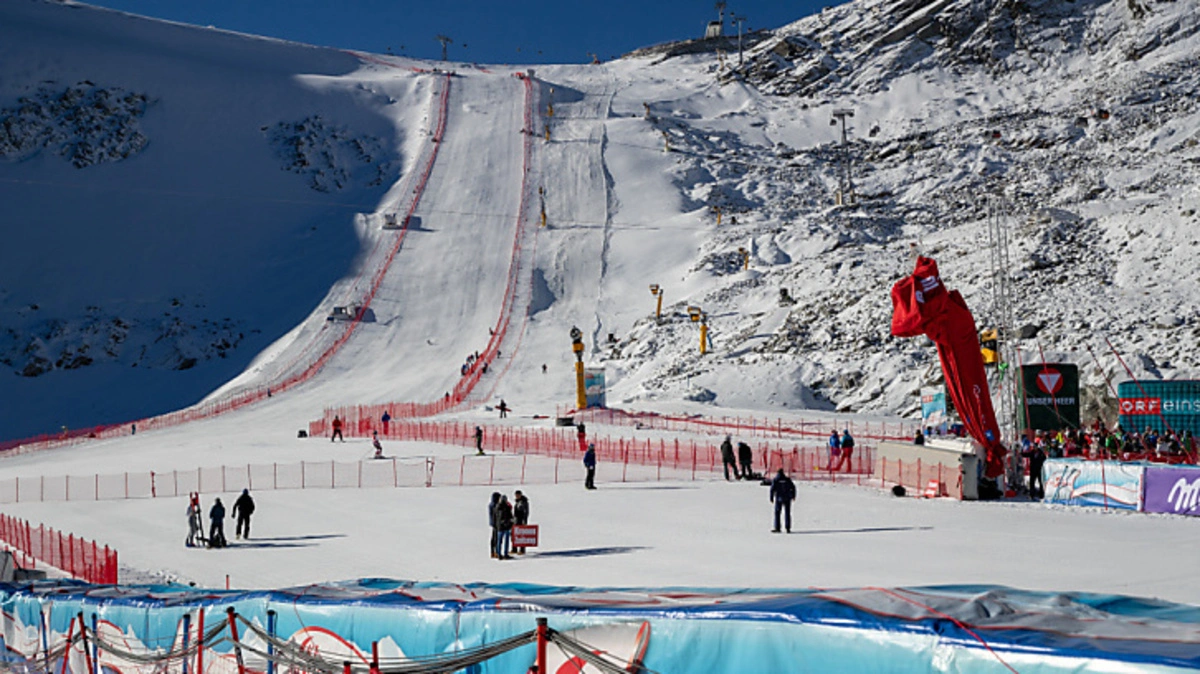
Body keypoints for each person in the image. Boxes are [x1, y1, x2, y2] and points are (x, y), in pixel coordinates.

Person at [494, 494, 514, 560]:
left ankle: (499, 554)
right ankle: (504, 554)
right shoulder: (506, 507)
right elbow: (510, 516)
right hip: (505, 526)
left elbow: (495, 517)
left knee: (499, 541)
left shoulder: (497, 507)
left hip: (500, 527)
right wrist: (510, 523)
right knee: (505, 541)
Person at [513, 490, 530, 554]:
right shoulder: (517, 502)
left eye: (518, 495)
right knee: (514, 534)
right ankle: (514, 549)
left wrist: (524, 520)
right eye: (516, 495)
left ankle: (522, 549)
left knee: (522, 535)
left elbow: (526, 512)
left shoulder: (524, 502)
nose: (517, 496)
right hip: (516, 520)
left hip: (521, 520)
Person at [488, 492, 502, 558]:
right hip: (495, 523)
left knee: (494, 537)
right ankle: (495, 552)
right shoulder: (494, 505)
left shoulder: (492, 504)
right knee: (495, 538)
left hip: (494, 523)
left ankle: (493, 552)